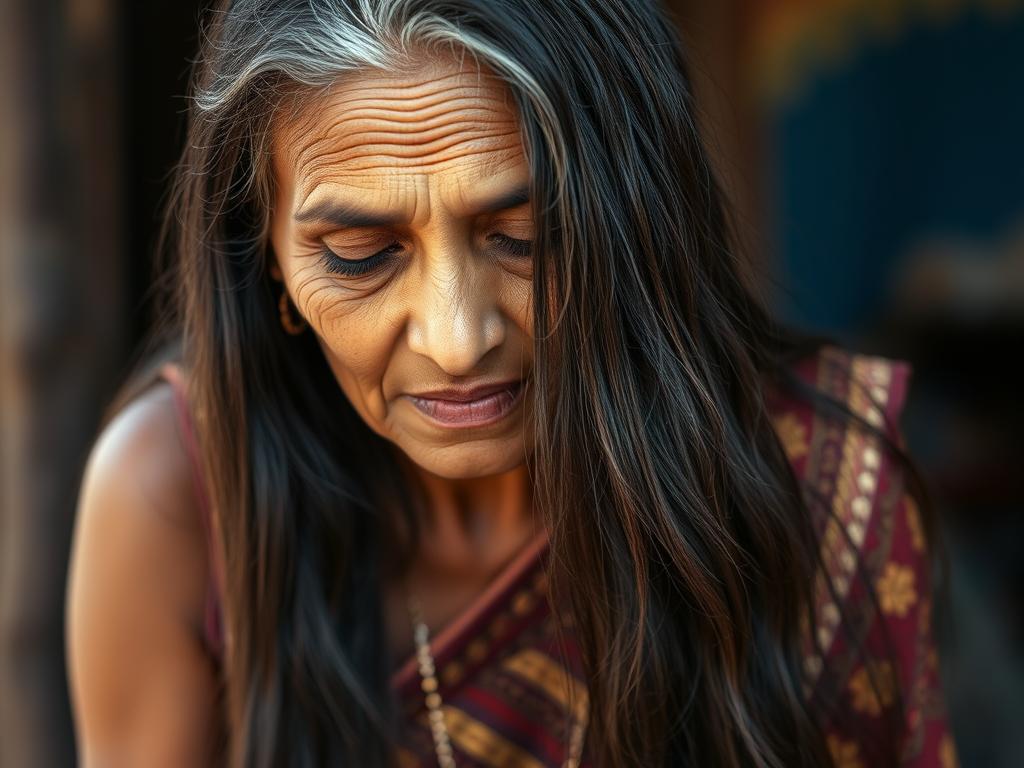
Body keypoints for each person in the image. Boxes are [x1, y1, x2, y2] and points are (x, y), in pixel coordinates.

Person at [64, 1, 957, 766]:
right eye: (361, 257)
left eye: (525, 237)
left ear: (632, 224)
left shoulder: (812, 486)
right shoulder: (173, 497)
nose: (458, 339)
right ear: (270, 266)